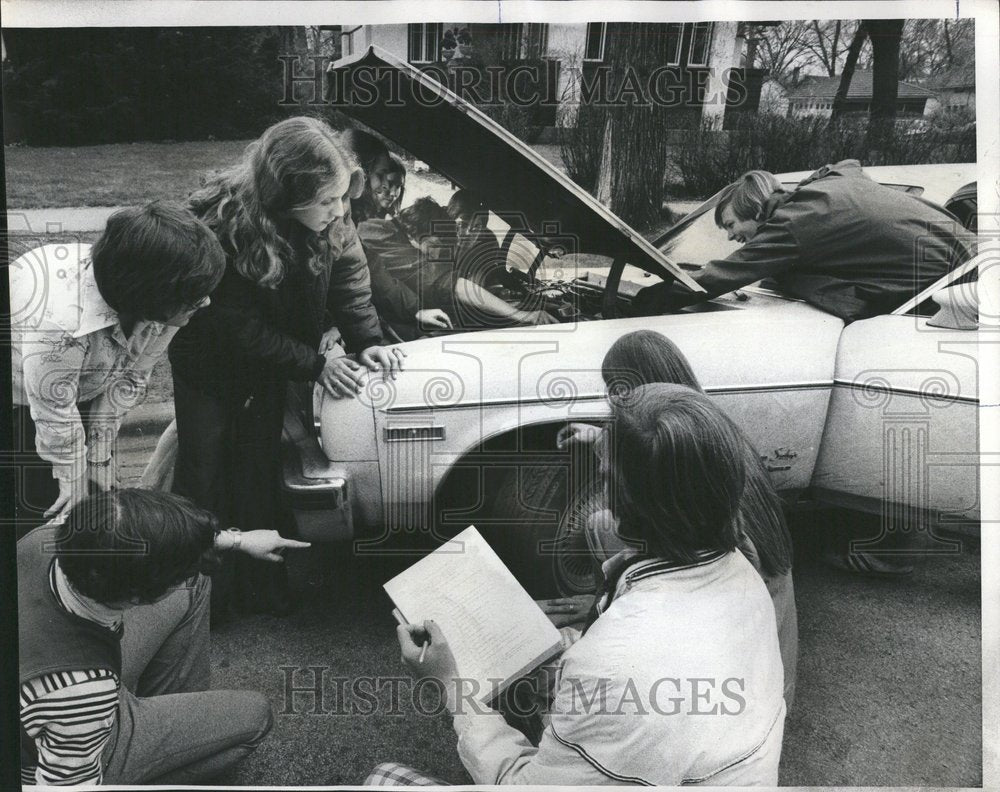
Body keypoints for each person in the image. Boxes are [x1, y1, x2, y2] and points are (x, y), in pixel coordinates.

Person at [372, 385, 786, 786]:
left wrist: (449, 683)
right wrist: (565, 643)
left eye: (606, 476)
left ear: (627, 504)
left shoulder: (614, 666)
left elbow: (522, 787)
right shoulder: (742, 573)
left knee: (382, 778)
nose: (601, 490)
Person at [168, 116, 405, 619]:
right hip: (208, 368)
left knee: (258, 472)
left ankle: (263, 586)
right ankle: (201, 603)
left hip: (270, 369)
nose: (340, 210)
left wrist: (368, 341)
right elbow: (236, 328)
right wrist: (315, 364)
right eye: (327, 201)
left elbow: (350, 277)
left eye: (342, 197)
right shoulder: (225, 227)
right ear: (283, 194)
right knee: (204, 476)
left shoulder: (334, 217)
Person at [550, 329, 798, 707]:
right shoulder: (709, 434)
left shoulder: (726, 551)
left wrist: (609, 611)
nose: (612, 400)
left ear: (624, 390)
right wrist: (599, 436)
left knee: (606, 527)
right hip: (765, 640)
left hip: (744, 679)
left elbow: (712, 599)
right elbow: (650, 445)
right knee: (607, 526)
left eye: (615, 389)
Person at [18, 488, 308, 785]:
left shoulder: (49, 537)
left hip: (59, 680)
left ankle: (157, 723)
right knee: (256, 716)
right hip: (67, 745)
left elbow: (146, 538)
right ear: (135, 598)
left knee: (193, 582)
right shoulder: (83, 693)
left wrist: (240, 540)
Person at [9, 201, 226, 535]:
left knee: (95, 495)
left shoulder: (166, 305)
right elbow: (54, 411)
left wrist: (97, 460)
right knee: (41, 507)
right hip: (18, 389)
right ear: (152, 292)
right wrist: (72, 478)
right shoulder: (61, 322)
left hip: (76, 381)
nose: (207, 302)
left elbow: (130, 378)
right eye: (195, 294)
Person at [633, 160, 975, 323]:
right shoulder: (822, 194)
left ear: (750, 206)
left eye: (730, 224)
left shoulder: (796, 223)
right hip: (971, 257)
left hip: (964, 283)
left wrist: (652, 298)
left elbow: (723, 275)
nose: (730, 236)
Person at [359, 197, 559, 329]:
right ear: (416, 235)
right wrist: (523, 316)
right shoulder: (394, 244)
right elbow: (453, 285)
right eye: (436, 245)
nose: (437, 253)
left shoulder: (379, 228)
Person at [342, 129, 452, 338]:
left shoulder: (353, 218)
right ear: (359, 172)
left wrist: (415, 310)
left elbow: (370, 267)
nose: (386, 188)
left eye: (395, 184)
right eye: (380, 175)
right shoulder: (351, 221)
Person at [342, 128, 406, 223]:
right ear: (362, 174)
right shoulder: (349, 215)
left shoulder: (388, 217)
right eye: (380, 175)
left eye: (398, 186)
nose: (393, 193)